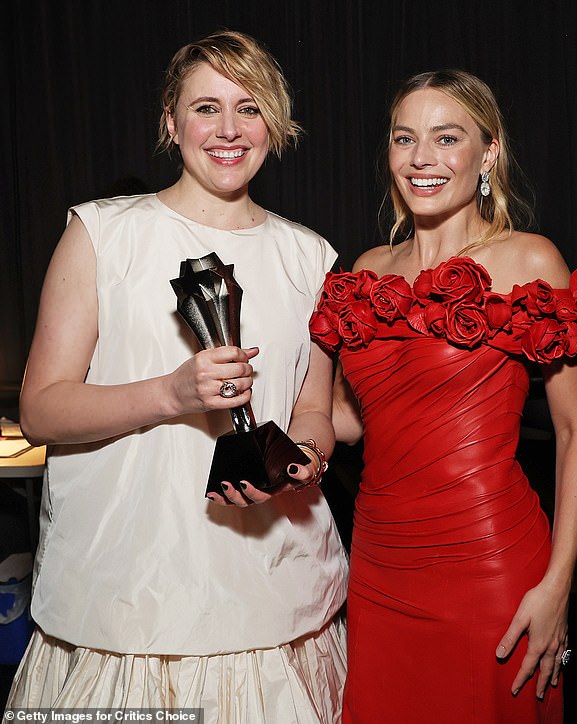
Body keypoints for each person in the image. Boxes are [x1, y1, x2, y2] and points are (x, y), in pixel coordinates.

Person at [6, 31, 348, 722]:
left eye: (249, 108)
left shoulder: (310, 257)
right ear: (170, 121)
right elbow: (41, 410)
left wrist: (305, 459)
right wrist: (171, 393)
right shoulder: (102, 234)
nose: (228, 130)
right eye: (206, 108)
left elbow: (314, 409)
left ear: (274, 125)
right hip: (126, 600)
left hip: (272, 593)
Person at [310, 69, 577, 723]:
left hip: (491, 569)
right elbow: (346, 420)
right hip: (378, 571)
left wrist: (557, 587)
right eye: (405, 139)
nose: (422, 158)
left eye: (446, 137)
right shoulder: (365, 271)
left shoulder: (530, 261)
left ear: (487, 153)